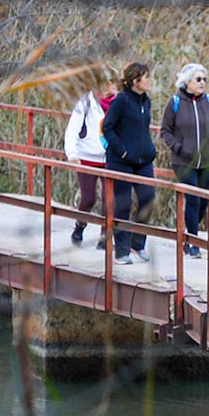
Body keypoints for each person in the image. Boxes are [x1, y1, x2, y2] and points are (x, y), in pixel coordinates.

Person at [160, 62, 209, 258]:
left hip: (206, 161)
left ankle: (188, 236)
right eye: (198, 79)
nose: (203, 82)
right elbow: (165, 131)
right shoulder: (175, 103)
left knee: (203, 202)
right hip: (184, 162)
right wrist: (180, 147)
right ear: (187, 81)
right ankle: (194, 243)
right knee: (193, 199)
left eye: (205, 79)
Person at [101, 62, 157, 265]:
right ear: (136, 81)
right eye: (147, 77)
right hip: (121, 161)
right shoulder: (122, 101)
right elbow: (108, 128)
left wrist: (149, 149)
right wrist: (122, 151)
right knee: (122, 205)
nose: (150, 80)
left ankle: (137, 243)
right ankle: (122, 251)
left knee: (148, 199)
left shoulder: (145, 101)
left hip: (143, 161)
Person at [64, 85, 109, 247]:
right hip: (87, 156)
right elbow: (72, 130)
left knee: (110, 199)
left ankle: (105, 236)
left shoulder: (118, 103)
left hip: (110, 159)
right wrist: (72, 154)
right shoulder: (85, 103)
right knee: (89, 198)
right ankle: (80, 226)